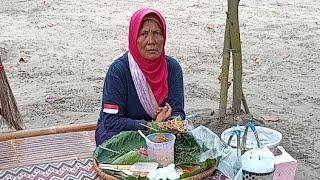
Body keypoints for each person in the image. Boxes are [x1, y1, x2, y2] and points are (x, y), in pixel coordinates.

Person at [95, 8, 185, 145]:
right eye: (143, 34)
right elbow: (111, 121)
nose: (151, 41)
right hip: (124, 133)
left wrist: (170, 121)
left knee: (186, 143)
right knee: (111, 144)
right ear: (133, 38)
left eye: (157, 33)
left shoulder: (173, 68)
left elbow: (178, 112)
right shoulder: (118, 71)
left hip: (163, 132)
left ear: (164, 37)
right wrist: (151, 126)